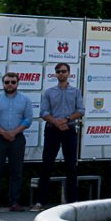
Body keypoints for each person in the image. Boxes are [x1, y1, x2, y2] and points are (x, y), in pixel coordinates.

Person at [32, 63, 85, 211]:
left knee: (71, 166)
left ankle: (72, 201)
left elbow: (81, 110)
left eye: (63, 71)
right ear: (55, 74)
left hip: (69, 129)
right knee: (47, 165)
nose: (61, 74)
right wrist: (56, 122)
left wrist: (66, 120)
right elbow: (43, 112)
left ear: (69, 73)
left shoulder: (75, 92)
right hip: (52, 130)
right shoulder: (49, 92)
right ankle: (40, 202)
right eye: (58, 72)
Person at [0, 71, 33, 212]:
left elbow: (28, 119)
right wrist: (4, 132)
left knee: (16, 172)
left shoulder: (25, 100)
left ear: (17, 83)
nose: (10, 85)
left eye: (13, 82)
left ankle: (14, 203)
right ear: (3, 83)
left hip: (17, 138)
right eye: (7, 82)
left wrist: (13, 132)